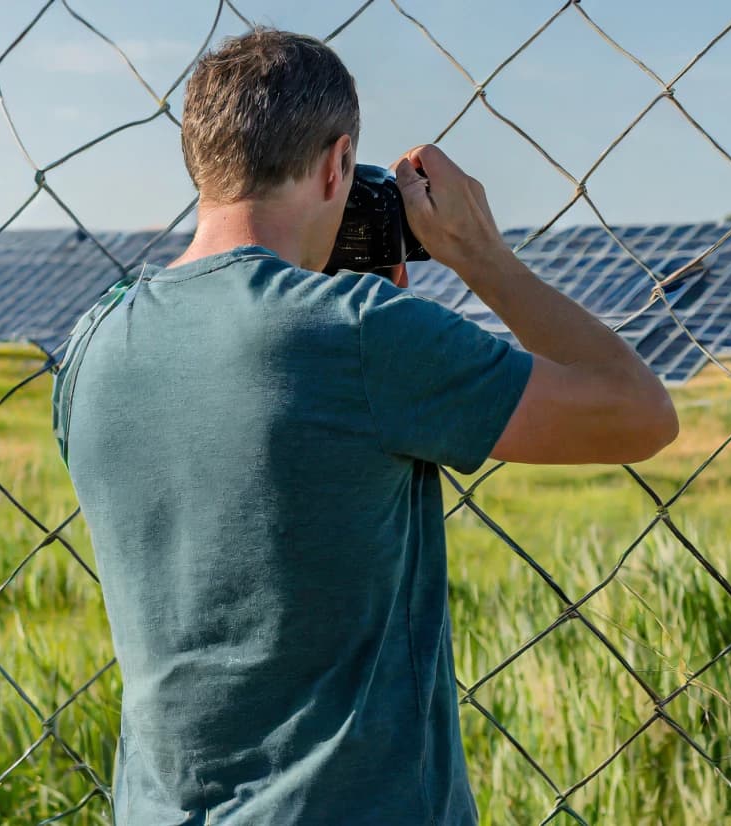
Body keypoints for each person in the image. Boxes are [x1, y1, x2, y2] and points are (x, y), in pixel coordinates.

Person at [52, 28, 677, 826]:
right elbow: (638, 412)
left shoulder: (93, 344)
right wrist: (482, 256)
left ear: (201, 160)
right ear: (338, 162)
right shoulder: (360, 333)